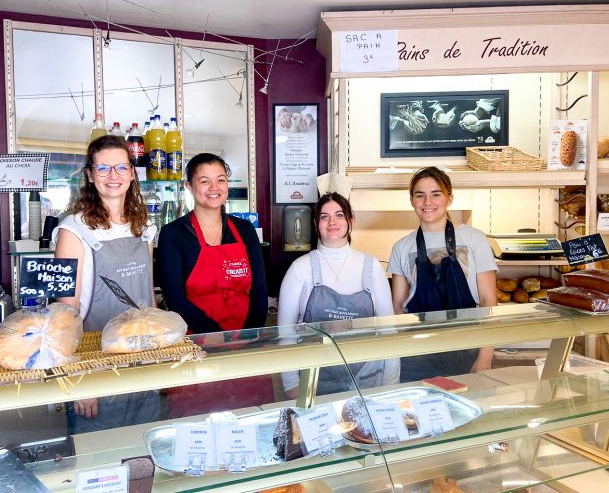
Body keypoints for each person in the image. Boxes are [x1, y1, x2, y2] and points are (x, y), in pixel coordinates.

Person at [53, 134, 159, 432]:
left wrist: (158, 356)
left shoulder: (144, 227)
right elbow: (65, 314)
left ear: (132, 173)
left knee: (143, 448)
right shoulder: (72, 231)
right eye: (103, 168)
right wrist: (81, 379)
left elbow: (148, 298)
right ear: (90, 174)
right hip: (96, 368)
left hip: (141, 360)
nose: (113, 176)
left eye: (121, 167)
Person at [157, 152, 269, 416]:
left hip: (246, 344)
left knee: (249, 419)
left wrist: (248, 335)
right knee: (197, 422)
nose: (214, 188)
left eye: (220, 180)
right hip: (196, 345)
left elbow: (260, 290)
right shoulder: (173, 234)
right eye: (204, 181)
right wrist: (217, 337)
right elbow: (176, 299)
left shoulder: (244, 230)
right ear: (189, 186)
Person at [278, 192, 398, 398]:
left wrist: (390, 382)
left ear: (351, 221)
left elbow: (389, 331)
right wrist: (291, 384)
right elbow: (285, 334)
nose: (332, 222)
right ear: (316, 224)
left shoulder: (371, 266)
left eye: (339, 215)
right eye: (324, 216)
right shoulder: (300, 268)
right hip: (314, 379)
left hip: (368, 380)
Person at [389, 166, 497, 382]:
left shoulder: (474, 239)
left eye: (436, 194)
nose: (427, 202)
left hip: (467, 349)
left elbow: (489, 302)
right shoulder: (401, 247)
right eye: (420, 195)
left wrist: (485, 356)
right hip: (417, 356)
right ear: (412, 200)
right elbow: (398, 309)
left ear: (450, 198)